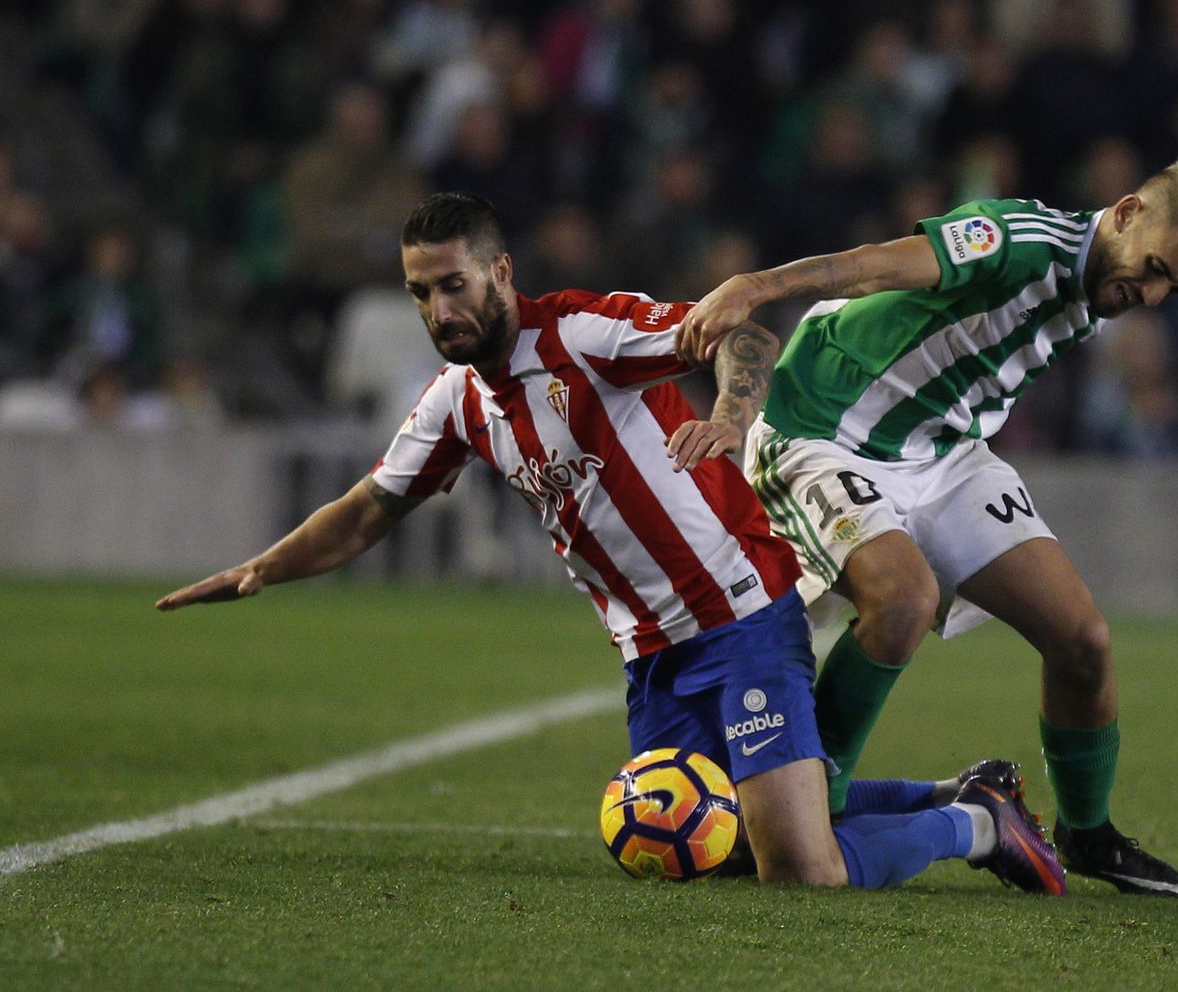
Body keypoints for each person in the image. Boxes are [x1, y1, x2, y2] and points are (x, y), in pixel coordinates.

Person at [156, 192, 1064, 894]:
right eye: (421, 293)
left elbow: (739, 328)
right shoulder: (456, 404)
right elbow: (367, 508)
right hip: (653, 657)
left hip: (740, 614)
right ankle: (953, 790)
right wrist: (260, 568)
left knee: (798, 866)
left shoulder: (584, 334)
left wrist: (730, 412)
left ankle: (978, 825)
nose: (439, 308)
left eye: (453, 284)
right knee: (715, 846)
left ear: (500, 271)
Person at [676, 148, 1178, 899]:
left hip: (939, 449)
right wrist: (755, 286)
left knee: (1082, 640)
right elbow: (873, 264)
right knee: (902, 598)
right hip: (821, 426)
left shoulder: (1101, 281)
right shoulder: (1014, 240)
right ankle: (816, 800)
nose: (1154, 294)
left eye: (1175, 285)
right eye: (1157, 269)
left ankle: (1087, 832)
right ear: (1127, 212)